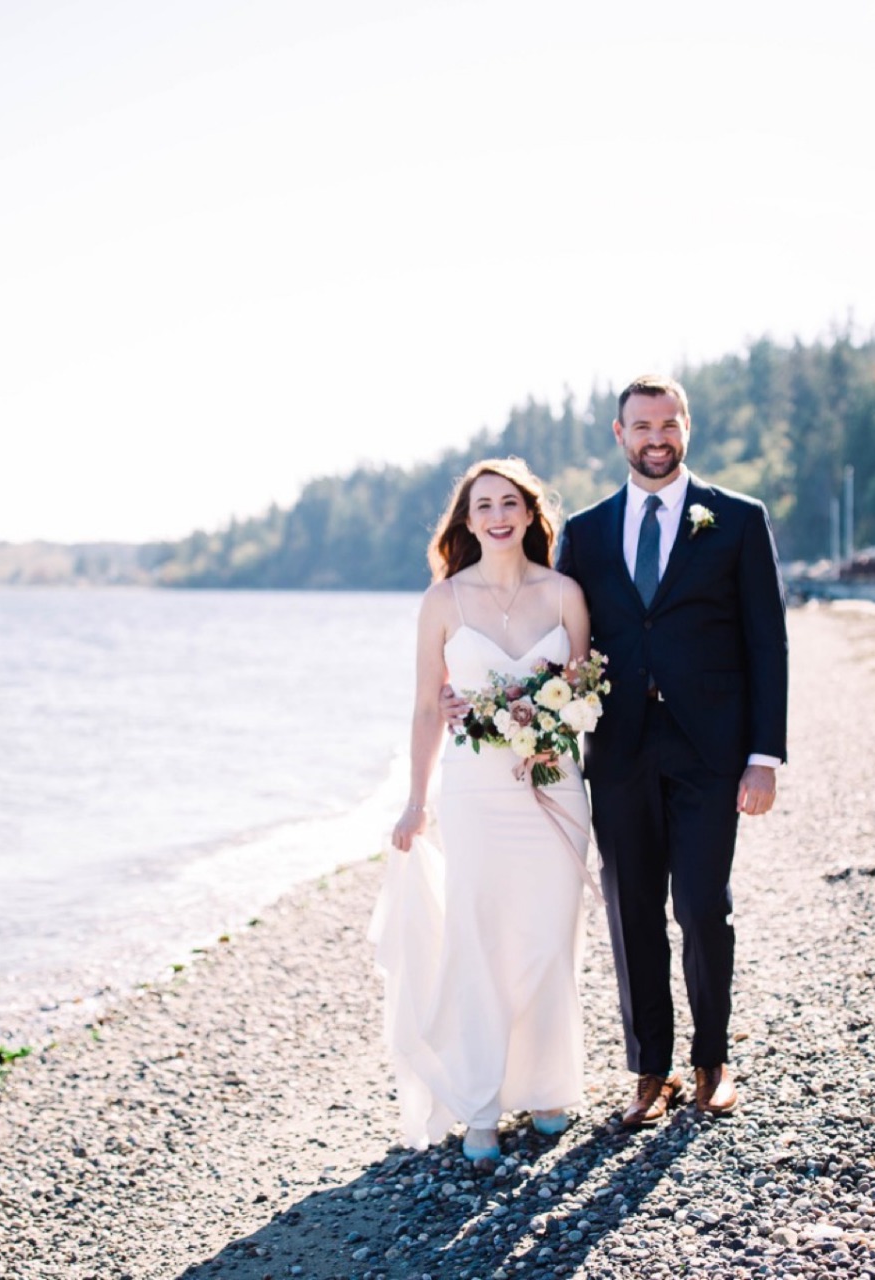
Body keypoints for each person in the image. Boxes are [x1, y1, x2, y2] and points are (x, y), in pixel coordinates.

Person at [553, 373, 788, 1126]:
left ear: (688, 428)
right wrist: (493, 697)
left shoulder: (738, 520)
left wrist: (765, 755)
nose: (657, 439)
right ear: (618, 435)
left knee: (701, 905)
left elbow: (767, 643)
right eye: (642, 427)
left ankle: (711, 1058)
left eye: (669, 425)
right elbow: (558, 639)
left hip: (710, 749)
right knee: (631, 912)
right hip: (619, 748)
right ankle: (649, 1070)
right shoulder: (584, 534)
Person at [374, 457, 594, 1162]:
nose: (498, 516)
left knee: (548, 937)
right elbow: (422, 707)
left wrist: (548, 716)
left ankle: (549, 1085)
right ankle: (479, 1101)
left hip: (554, 784)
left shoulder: (565, 594)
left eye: (510, 503)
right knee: (479, 937)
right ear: (467, 522)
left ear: (530, 514)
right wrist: (415, 801)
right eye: (483, 506)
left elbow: (585, 695)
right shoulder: (443, 601)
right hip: (473, 792)